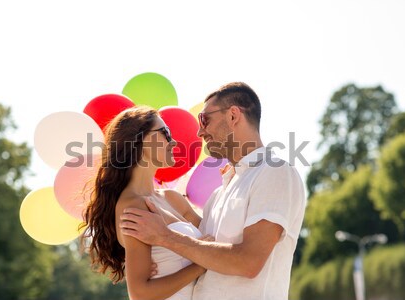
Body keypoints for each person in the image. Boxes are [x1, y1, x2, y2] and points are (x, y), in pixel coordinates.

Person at [120, 82, 306, 299]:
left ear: (233, 116)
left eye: (204, 120)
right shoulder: (219, 195)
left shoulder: (274, 172)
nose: (200, 131)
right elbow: (202, 252)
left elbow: (249, 262)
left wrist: (166, 238)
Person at [81, 106, 212, 300]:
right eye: (165, 133)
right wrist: (201, 264)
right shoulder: (132, 207)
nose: (173, 141)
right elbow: (140, 293)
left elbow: (216, 239)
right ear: (139, 141)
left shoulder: (172, 198)